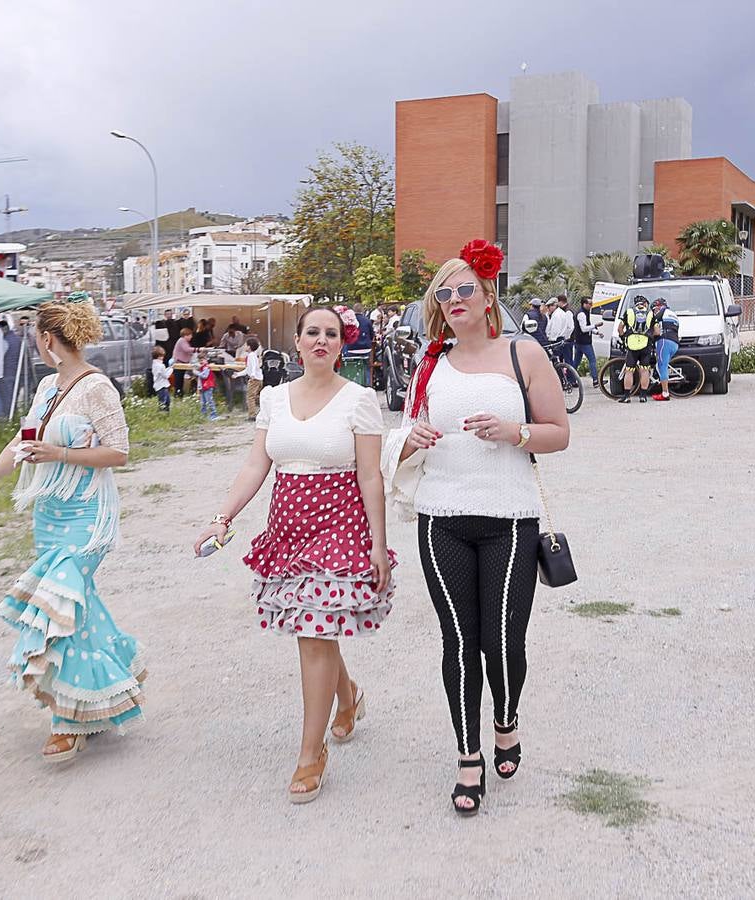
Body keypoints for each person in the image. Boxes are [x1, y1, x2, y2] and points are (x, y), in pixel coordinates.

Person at [381, 239, 570, 817]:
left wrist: (514, 432)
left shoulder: (525, 353)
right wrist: (408, 438)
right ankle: (468, 757)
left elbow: (558, 433)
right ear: (437, 307)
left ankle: (506, 722)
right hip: (442, 518)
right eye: (445, 292)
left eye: (466, 288)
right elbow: (408, 428)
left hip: (510, 518)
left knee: (504, 642)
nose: (456, 298)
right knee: (459, 643)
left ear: (488, 297)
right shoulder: (430, 364)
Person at [194, 306, 394, 804]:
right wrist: (223, 517)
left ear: (341, 344)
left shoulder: (359, 400)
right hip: (288, 528)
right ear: (298, 341)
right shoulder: (275, 399)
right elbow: (255, 465)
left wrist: (377, 543)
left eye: (331, 333)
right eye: (312, 332)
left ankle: (311, 753)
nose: (321, 340)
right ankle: (348, 698)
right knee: (316, 631)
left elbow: (371, 476)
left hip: (339, 525)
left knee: (312, 631)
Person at [0, 299, 143, 763]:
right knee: (75, 609)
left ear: (48, 339)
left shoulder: (98, 388)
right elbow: (24, 442)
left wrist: (61, 455)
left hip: (86, 516)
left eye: (35, 337)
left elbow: (119, 453)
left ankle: (67, 720)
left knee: (59, 604)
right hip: (48, 514)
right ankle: (110, 680)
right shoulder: (48, 386)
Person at [618, 295, 658, 403]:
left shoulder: (629, 312)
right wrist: (651, 337)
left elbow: (620, 328)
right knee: (644, 370)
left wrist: (623, 337)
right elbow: (657, 331)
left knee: (629, 371)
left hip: (631, 345)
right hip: (645, 345)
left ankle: (627, 396)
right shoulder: (651, 313)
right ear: (645, 303)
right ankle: (643, 396)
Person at [651, 297, 681, 402]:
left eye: (654, 309)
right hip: (674, 343)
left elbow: (656, 330)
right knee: (662, 364)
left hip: (664, 341)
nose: (654, 311)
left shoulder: (662, 312)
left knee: (661, 366)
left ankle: (665, 393)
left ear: (659, 306)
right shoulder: (673, 314)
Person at [572, 296, 600, 384]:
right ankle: (595, 380)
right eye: (590, 304)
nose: (591, 305)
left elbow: (588, 325)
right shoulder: (581, 314)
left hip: (579, 341)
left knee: (576, 362)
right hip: (584, 342)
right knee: (592, 360)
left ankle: (571, 379)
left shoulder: (585, 312)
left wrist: (596, 332)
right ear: (584, 304)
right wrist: (595, 325)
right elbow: (584, 329)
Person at [546, 295, 575, 367]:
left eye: (549, 306)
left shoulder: (557, 315)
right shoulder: (560, 312)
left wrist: (550, 339)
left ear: (554, 306)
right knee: (565, 360)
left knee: (559, 361)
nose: (548, 309)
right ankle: (567, 377)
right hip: (562, 338)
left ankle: (567, 377)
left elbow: (555, 330)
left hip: (557, 339)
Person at [240, 336, 263, 420]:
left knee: (250, 397)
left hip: (254, 379)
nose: (244, 346)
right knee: (257, 396)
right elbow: (248, 369)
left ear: (249, 347)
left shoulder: (251, 356)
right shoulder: (254, 355)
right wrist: (238, 374)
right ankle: (261, 412)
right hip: (259, 378)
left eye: (245, 345)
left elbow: (252, 367)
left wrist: (252, 374)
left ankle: (252, 415)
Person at [171, 327, 195, 396]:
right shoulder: (182, 341)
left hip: (182, 363)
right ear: (186, 335)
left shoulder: (185, 341)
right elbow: (187, 349)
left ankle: (179, 393)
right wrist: (198, 349)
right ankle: (178, 394)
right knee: (178, 380)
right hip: (179, 363)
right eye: (190, 335)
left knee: (180, 379)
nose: (191, 337)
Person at [197, 356, 219, 420]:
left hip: (208, 386)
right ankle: (203, 415)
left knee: (209, 401)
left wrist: (197, 373)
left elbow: (205, 376)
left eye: (202, 360)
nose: (201, 362)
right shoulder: (201, 368)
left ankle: (214, 414)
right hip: (203, 387)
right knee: (202, 402)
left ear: (206, 360)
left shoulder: (207, 368)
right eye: (200, 360)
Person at [151, 346, 172, 412]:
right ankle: (162, 414)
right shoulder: (160, 365)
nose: (163, 357)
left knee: (165, 400)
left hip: (159, 385)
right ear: (159, 356)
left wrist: (169, 368)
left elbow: (163, 372)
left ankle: (164, 413)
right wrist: (172, 369)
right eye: (162, 356)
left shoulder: (155, 364)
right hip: (162, 386)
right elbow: (166, 375)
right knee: (164, 401)